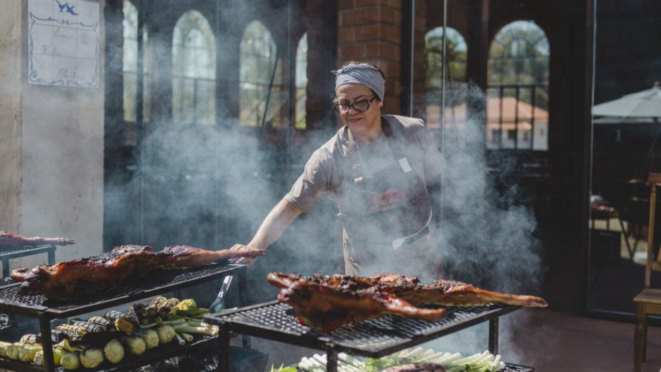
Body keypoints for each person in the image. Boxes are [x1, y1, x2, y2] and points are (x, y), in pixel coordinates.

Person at [232, 61, 445, 277]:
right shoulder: (328, 158)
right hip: (367, 266)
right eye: (344, 104)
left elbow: (434, 182)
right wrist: (255, 245)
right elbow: (290, 207)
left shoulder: (413, 132)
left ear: (379, 100)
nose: (351, 111)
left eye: (360, 102)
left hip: (420, 255)